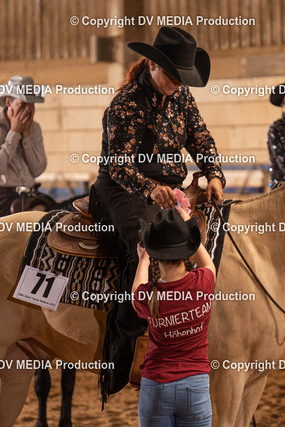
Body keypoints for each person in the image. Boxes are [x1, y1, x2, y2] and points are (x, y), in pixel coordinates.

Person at [89, 26, 225, 398]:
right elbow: (119, 165)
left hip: (169, 190)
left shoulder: (181, 96)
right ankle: (126, 348)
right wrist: (150, 188)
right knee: (145, 249)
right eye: (172, 74)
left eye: (182, 77)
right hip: (121, 188)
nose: (178, 83)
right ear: (151, 64)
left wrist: (214, 174)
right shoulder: (126, 103)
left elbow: (200, 137)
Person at [132, 207, 215, 427]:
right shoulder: (204, 282)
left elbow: (135, 291)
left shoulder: (147, 296)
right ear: (187, 251)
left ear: (155, 254)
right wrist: (188, 223)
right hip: (195, 386)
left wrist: (143, 260)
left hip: (156, 385)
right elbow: (208, 264)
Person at [0, 75, 46, 221]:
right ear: (8, 102)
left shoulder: (34, 128)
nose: (28, 110)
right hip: (0, 195)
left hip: (31, 194)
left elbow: (37, 169)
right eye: (23, 105)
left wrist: (26, 135)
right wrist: (14, 132)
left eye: (32, 104)